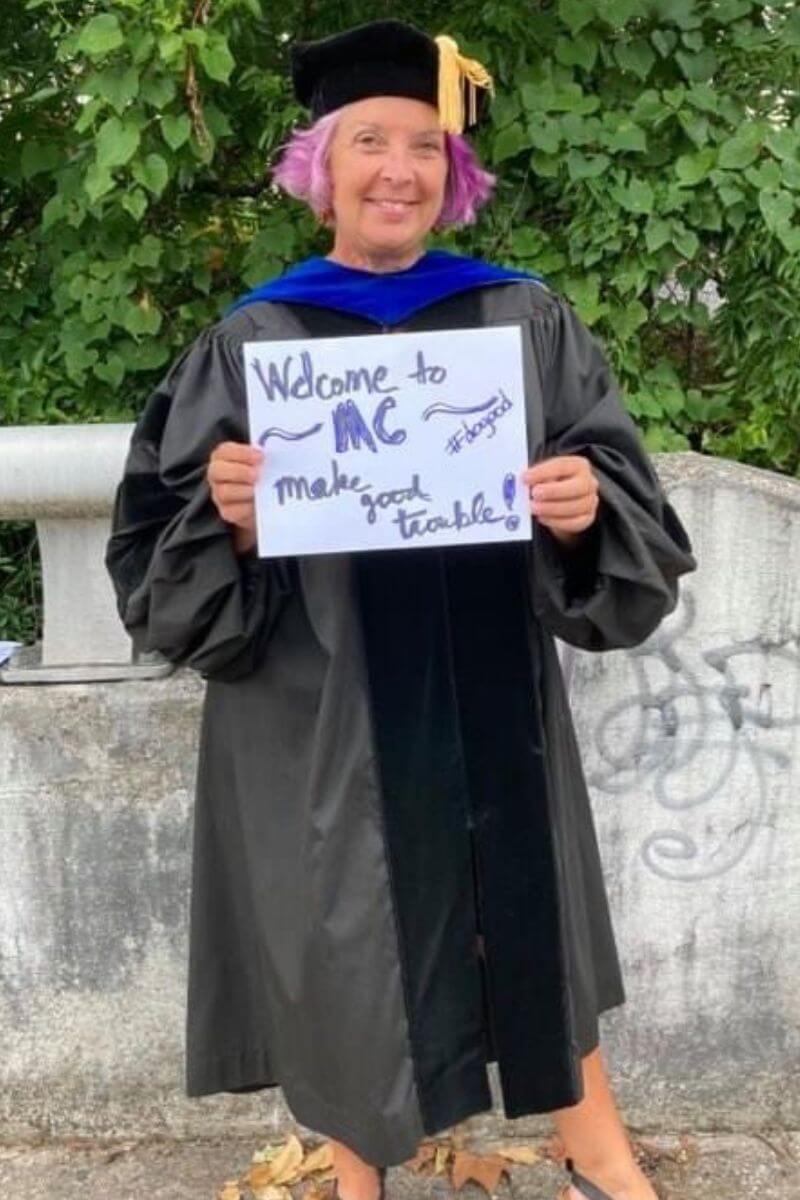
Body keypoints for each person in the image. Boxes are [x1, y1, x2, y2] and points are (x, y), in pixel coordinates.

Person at [105, 19, 695, 1200]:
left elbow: (625, 514)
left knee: (521, 915)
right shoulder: (252, 339)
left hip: (490, 706)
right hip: (318, 705)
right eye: (367, 141)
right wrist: (224, 521)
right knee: (345, 947)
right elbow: (154, 564)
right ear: (318, 169)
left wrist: (583, 512)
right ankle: (354, 1171)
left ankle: (595, 1150)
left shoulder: (520, 321)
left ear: (453, 174)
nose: (397, 169)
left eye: (426, 147)